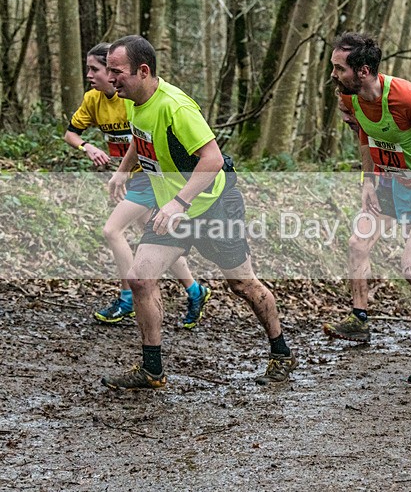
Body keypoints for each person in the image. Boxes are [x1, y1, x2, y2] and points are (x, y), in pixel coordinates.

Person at [100, 35, 296, 389]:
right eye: (108, 71)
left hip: (213, 206)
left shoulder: (176, 107)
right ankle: (152, 369)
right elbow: (140, 138)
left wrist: (179, 203)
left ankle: (281, 352)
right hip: (174, 212)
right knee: (140, 279)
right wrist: (123, 170)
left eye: (117, 71)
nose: (111, 78)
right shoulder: (134, 100)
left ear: (142, 71)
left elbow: (213, 159)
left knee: (242, 284)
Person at [329, 32, 411, 383]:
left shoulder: (406, 98)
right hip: (396, 184)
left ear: (363, 71)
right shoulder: (351, 96)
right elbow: (365, 134)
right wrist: (369, 181)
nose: (333, 74)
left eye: (339, 68)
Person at [63, 43, 210, 328]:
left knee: (112, 230)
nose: (90, 75)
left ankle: (127, 298)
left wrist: (124, 171)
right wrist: (89, 148)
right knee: (155, 235)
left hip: (150, 175)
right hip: (135, 175)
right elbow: (71, 134)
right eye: (88, 69)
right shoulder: (94, 100)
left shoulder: (132, 96)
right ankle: (195, 291)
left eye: (95, 69)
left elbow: (143, 137)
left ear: (115, 71)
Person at [321, 95, 411, 343]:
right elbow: (368, 148)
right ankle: (359, 318)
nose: (345, 118)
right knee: (357, 243)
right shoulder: (365, 126)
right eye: (342, 112)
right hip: (387, 190)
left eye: (348, 112)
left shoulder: (395, 113)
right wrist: (368, 181)